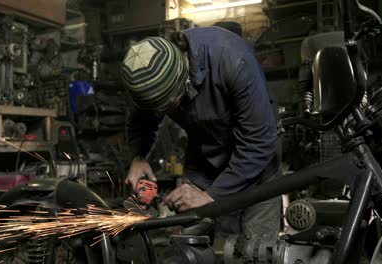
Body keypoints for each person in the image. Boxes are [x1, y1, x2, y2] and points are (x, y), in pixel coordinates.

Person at [120, 26, 280, 242]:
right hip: (203, 169)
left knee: (258, 252)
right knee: (186, 249)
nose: (162, 114)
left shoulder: (232, 59)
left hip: (257, 170)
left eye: (167, 106)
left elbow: (259, 142)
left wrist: (210, 196)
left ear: (184, 80)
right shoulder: (146, 78)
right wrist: (138, 157)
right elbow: (141, 122)